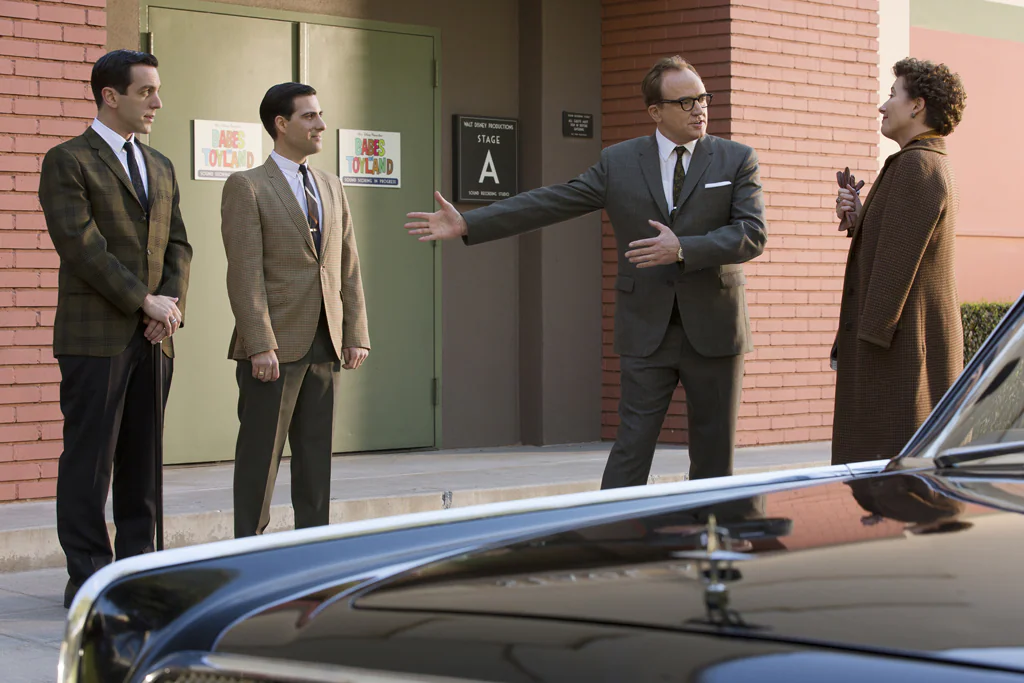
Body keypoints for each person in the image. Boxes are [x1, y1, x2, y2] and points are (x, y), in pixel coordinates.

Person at [406, 56, 766, 488]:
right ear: (655, 111)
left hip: (715, 328)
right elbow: (555, 200)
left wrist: (683, 248)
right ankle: (614, 542)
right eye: (686, 101)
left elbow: (751, 234)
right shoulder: (620, 162)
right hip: (646, 329)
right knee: (631, 451)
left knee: (713, 455)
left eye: (703, 98)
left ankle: (712, 546)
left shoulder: (735, 159)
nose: (700, 109)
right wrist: (470, 222)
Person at [38, 49, 193, 608]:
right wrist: (142, 301)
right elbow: (81, 247)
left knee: (143, 463)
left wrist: (168, 305)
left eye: (156, 90)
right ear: (110, 95)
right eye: (146, 91)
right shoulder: (68, 160)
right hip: (94, 336)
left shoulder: (161, 165)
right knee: (90, 461)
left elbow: (179, 243)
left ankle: (137, 572)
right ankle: (89, 579)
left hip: (156, 335)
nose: (157, 101)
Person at [222, 82, 370, 538]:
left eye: (320, 114)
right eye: (309, 116)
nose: (321, 124)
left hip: (325, 340)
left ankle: (314, 544)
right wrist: (260, 343)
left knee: (315, 455)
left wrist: (355, 332)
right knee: (259, 457)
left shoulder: (331, 184)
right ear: (280, 124)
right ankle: (248, 548)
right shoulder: (246, 186)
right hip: (272, 348)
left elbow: (347, 265)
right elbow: (244, 272)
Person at [832, 58, 967, 465]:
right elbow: (901, 243)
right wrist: (860, 217)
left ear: (917, 106)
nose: (882, 105)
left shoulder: (916, 165)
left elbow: (894, 270)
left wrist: (864, 353)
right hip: (904, 347)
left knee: (891, 479)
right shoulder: (924, 162)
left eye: (892, 95)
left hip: (897, 357)